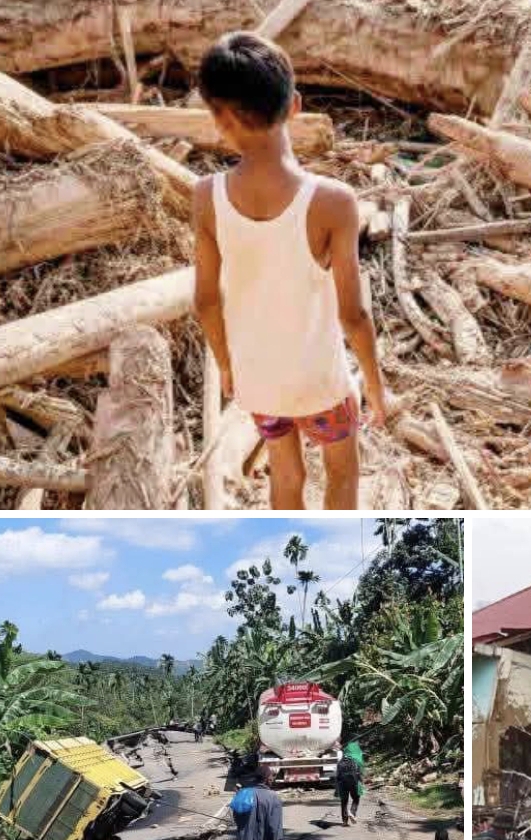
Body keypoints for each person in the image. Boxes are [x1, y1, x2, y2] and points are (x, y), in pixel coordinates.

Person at [192, 32, 387, 511]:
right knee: (342, 475)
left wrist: (226, 364)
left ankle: (292, 568)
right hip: (320, 383)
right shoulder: (332, 201)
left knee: (286, 473)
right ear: (295, 105)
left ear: (220, 120)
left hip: (260, 381)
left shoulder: (206, 196)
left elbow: (205, 301)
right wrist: (378, 390)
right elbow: (354, 315)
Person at [336, 741, 365, 826]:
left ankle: (345, 821)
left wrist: (337, 787)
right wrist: (361, 782)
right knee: (356, 798)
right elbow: (360, 774)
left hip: (342, 784)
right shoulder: (357, 759)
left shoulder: (340, 761)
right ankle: (352, 812)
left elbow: (337, 776)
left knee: (344, 801)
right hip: (353, 783)